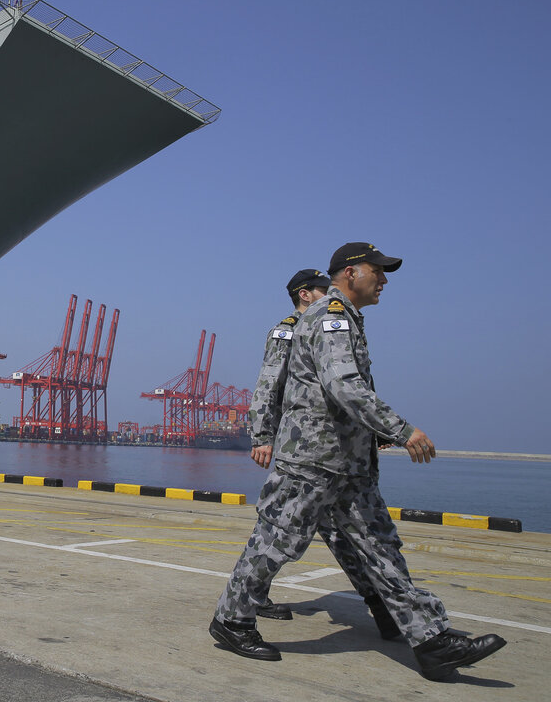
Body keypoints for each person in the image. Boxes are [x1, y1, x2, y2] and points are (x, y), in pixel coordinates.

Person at [209, 243, 505, 681]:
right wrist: (400, 429)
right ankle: (232, 620)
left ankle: (430, 640)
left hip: (347, 462)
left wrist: (370, 435)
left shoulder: (345, 317)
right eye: (377, 271)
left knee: (380, 547)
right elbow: (342, 385)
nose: (383, 280)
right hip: (313, 458)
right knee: (277, 540)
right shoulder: (330, 317)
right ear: (350, 273)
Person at [245, 269, 398, 639]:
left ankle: (383, 605)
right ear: (303, 294)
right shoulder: (288, 330)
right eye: (321, 289)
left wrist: (373, 430)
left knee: (346, 534)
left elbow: (357, 383)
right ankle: (247, 601)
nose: (330, 293)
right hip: (303, 449)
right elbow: (268, 384)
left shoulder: (333, 322)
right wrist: (262, 435)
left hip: (337, 452)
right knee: (281, 529)